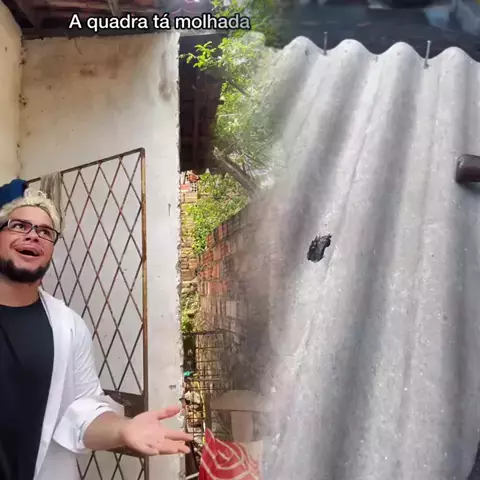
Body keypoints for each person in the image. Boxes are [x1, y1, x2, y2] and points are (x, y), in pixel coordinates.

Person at [0, 180, 193, 480]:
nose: (33, 235)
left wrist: (123, 429)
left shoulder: (68, 327)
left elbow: (84, 413)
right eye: (19, 226)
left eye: (45, 232)